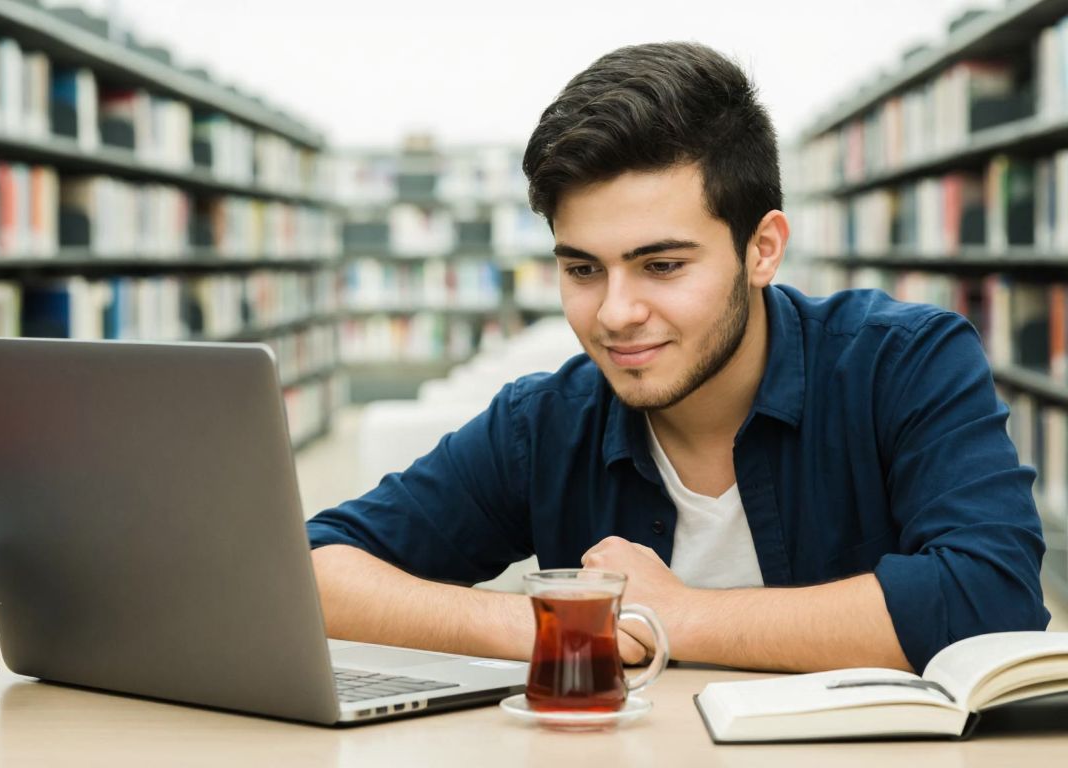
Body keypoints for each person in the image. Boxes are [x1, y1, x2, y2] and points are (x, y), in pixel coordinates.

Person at [306, 41, 1051, 674]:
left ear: (762, 250)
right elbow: (312, 567)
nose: (615, 313)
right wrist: (545, 621)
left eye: (661, 266)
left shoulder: (905, 363)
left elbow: (992, 597)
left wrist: (680, 617)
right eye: (582, 269)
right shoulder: (545, 424)